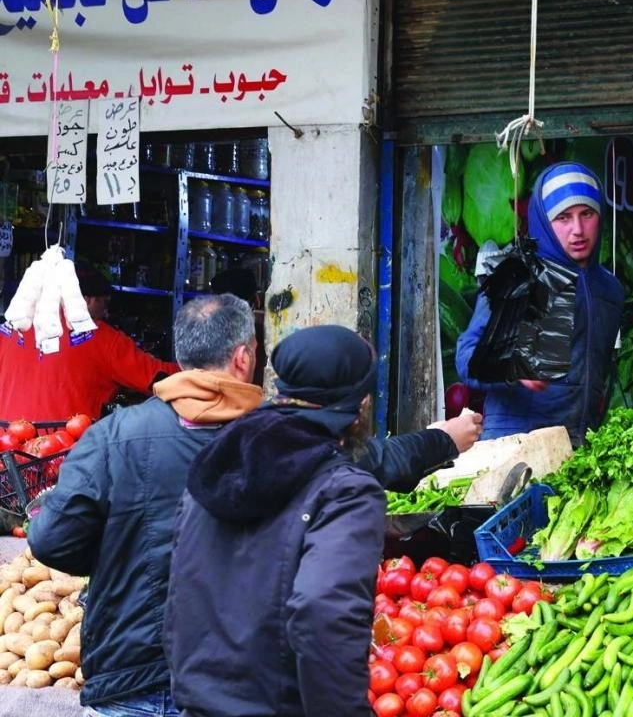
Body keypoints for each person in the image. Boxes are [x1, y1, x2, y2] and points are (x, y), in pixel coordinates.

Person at [27, 295, 481, 717]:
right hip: (231, 684)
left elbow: (52, 540)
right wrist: (444, 439)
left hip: (140, 676)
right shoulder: (279, 446)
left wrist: (121, 556)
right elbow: (322, 614)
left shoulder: (120, 436)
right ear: (245, 358)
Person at [162, 325, 386, 715]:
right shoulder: (347, 491)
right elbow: (323, 617)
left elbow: (178, 588)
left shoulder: (215, 463)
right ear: (360, 406)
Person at [456, 161, 624, 445]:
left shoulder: (609, 290)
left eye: (587, 214)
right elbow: (466, 357)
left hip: (577, 447)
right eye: (563, 218)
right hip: (514, 444)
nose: (578, 230)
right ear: (544, 221)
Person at [0, 265, 180, 421]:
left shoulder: (9, 329)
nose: (106, 313)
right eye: (104, 303)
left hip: (7, 452)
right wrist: (202, 370)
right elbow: (160, 380)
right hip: (65, 453)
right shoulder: (102, 338)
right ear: (86, 300)